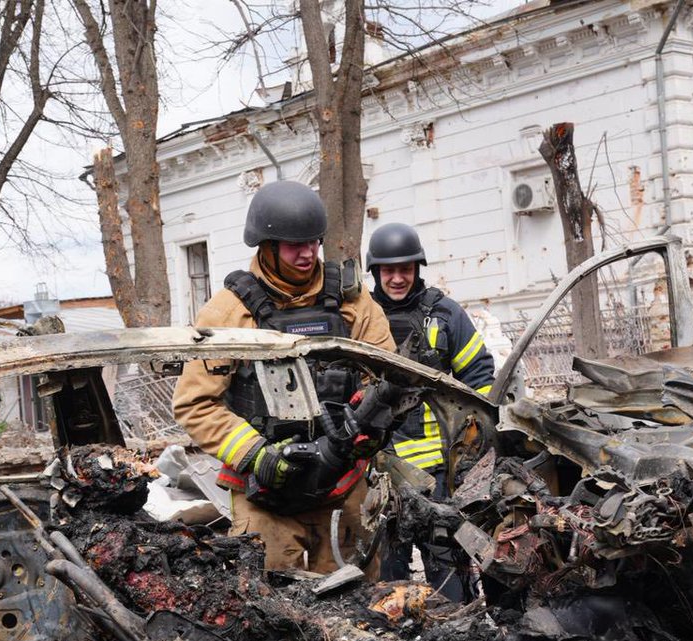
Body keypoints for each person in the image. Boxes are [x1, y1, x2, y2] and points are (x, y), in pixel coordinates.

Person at [172, 180, 396, 575]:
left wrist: (366, 426)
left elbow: (387, 377)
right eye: (296, 245)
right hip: (264, 501)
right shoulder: (228, 313)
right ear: (267, 246)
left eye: (314, 242)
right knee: (275, 612)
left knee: (360, 608)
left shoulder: (353, 302)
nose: (308, 253)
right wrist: (256, 454)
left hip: (344, 491)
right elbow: (194, 403)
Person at [366, 222, 495, 582]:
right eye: (388, 270)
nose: (396, 278)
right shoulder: (361, 317)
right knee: (387, 585)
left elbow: (480, 376)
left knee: (449, 579)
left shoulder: (444, 315)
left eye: (404, 269)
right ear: (376, 272)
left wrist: (474, 447)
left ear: (417, 268)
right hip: (379, 474)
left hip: (438, 477)